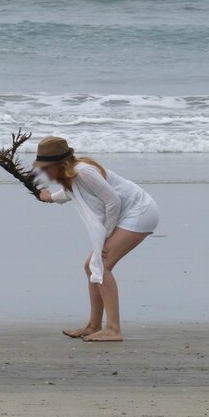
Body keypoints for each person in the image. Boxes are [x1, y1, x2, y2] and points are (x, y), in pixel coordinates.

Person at [35, 136, 159, 342]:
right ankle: (93, 325)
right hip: (127, 214)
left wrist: (106, 236)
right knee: (91, 266)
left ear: (59, 164)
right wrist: (51, 198)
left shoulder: (83, 171)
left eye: (46, 167)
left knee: (102, 265)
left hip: (140, 212)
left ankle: (113, 329)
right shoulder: (73, 175)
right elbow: (72, 192)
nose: (44, 172)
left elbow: (113, 201)